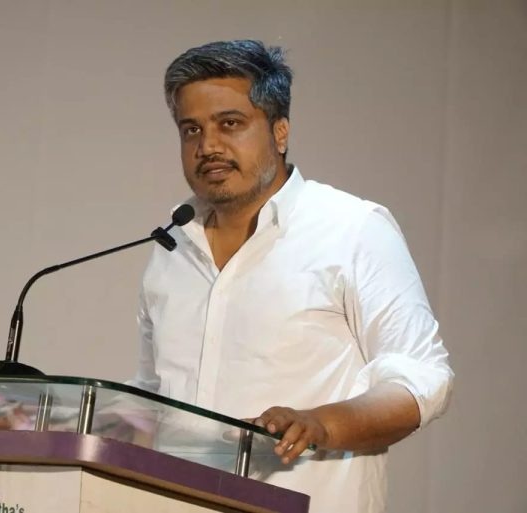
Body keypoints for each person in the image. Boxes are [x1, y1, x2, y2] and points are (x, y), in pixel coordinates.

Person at [129, 40, 453, 513]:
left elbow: (423, 379)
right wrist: (46, 416)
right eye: (191, 129)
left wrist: (322, 424)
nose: (208, 146)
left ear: (280, 132)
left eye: (230, 123)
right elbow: (154, 399)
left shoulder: (352, 229)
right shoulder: (172, 248)